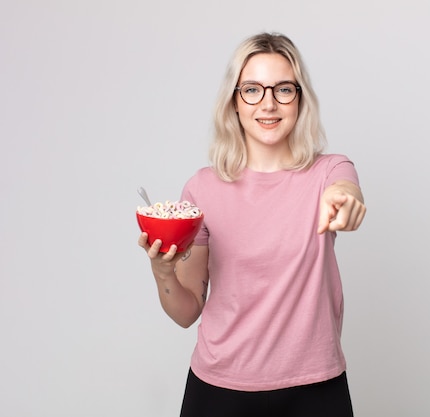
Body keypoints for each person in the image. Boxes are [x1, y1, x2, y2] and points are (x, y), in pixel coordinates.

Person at [138, 32, 366, 417]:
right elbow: (186, 311)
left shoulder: (329, 171)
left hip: (315, 389)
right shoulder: (202, 188)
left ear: (300, 98)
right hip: (219, 390)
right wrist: (162, 271)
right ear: (235, 101)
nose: (269, 103)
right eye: (252, 90)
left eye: (283, 90)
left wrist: (344, 200)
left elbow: (345, 190)